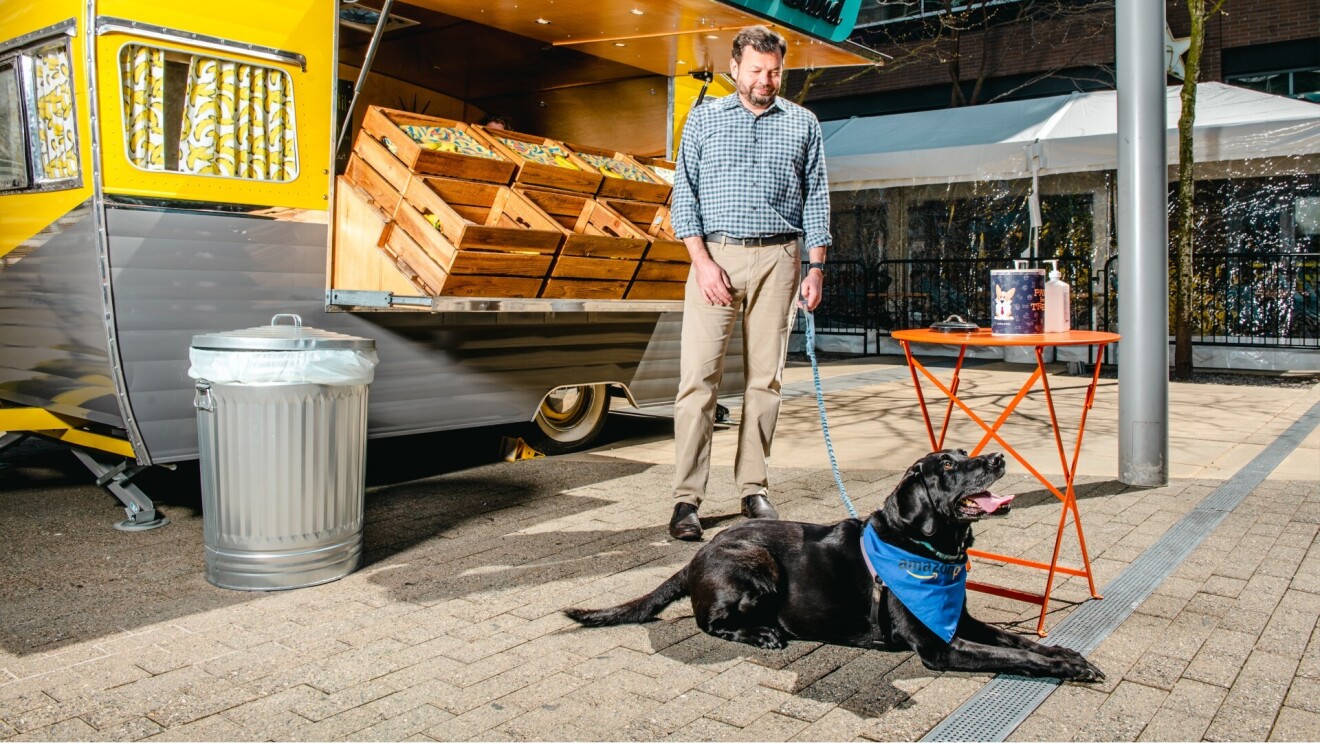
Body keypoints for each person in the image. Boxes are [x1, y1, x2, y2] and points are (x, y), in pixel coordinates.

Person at [666, 25, 830, 541]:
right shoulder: (704, 120)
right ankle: (685, 500)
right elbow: (683, 196)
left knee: (767, 380)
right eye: (757, 70)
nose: (766, 79)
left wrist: (815, 266)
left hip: (780, 258)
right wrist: (702, 262)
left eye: (775, 71)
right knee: (698, 380)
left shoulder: (804, 124)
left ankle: (753, 488)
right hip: (715, 256)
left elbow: (817, 197)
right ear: (734, 68)